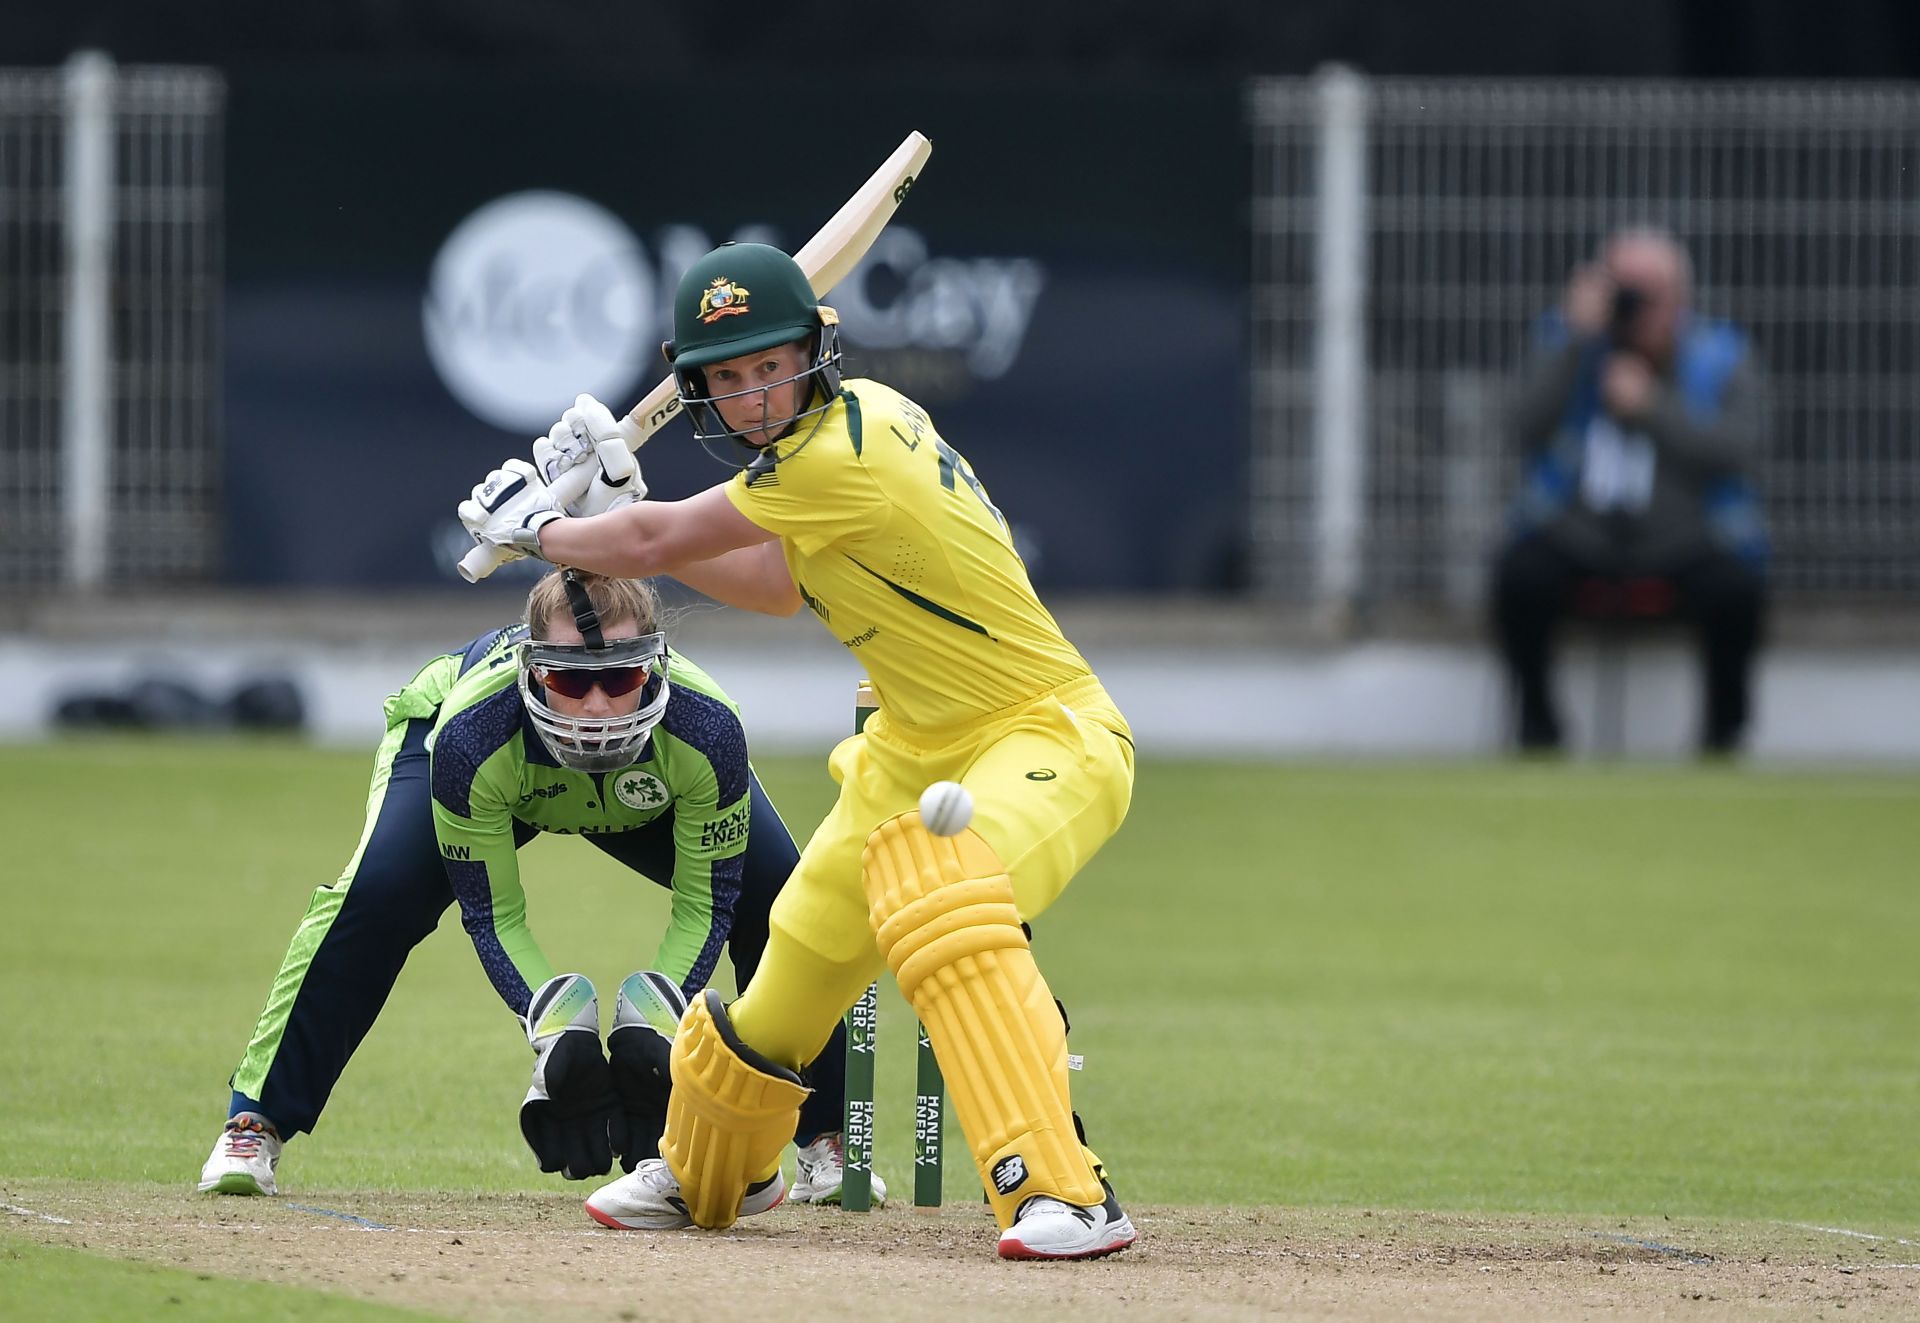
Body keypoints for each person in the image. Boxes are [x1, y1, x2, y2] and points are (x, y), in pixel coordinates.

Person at [458, 242, 1137, 1260]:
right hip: (911, 749)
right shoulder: (826, 451)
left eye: (768, 365)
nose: (752, 394)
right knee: (800, 961)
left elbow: (655, 547)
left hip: (1044, 731)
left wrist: (550, 531)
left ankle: (1065, 1192)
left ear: (814, 351)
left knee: (944, 894)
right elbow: (776, 583)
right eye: (726, 378)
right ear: (699, 390)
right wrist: (606, 512)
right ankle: (713, 1171)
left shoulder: (845, 450)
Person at [198, 568, 884, 1212]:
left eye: (620, 678)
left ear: (657, 667)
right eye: (566, 678)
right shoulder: (470, 734)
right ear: (532, 669)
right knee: (374, 896)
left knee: (789, 902)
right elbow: (492, 912)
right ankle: (255, 1120)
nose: (593, 708)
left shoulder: (707, 728)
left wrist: (660, 1011)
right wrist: (553, 1023)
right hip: (501, 770)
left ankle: (827, 1136)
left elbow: (709, 904)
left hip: (647, 795)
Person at [1492, 227, 1769, 754]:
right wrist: (1577, 341)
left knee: (1735, 587)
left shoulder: (1720, 355)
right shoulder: (1566, 343)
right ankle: (1538, 730)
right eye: (1624, 290)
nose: (1635, 307)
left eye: (1649, 294)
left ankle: (1723, 734)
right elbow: (1522, 427)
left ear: (1680, 297)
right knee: (1520, 574)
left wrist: (1652, 408)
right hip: (1579, 532)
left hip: (1685, 538)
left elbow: (1737, 451)